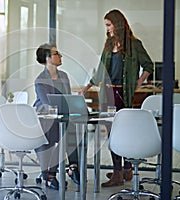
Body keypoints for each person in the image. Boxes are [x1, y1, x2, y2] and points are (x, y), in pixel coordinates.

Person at [81, 9, 154, 187]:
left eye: (108, 25)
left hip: (122, 94)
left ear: (118, 24)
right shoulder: (108, 44)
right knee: (112, 134)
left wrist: (138, 82)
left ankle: (124, 170)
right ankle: (119, 171)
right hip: (107, 93)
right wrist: (87, 87)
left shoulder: (134, 45)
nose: (106, 29)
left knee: (123, 132)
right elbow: (100, 70)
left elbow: (148, 65)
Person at [33, 42, 80, 190]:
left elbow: (67, 98)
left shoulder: (64, 76)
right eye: (56, 53)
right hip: (45, 118)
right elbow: (48, 104)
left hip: (62, 115)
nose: (60, 56)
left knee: (71, 129)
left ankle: (72, 166)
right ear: (47, 58)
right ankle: (51, 174)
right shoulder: (40, 80)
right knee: (57, 133)